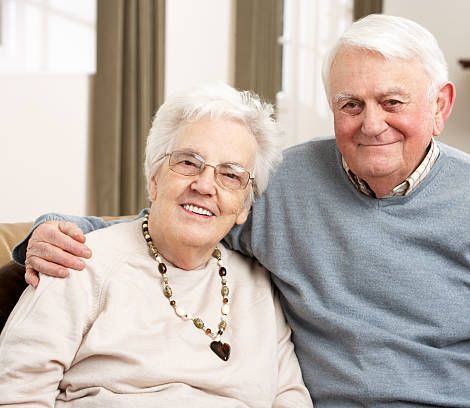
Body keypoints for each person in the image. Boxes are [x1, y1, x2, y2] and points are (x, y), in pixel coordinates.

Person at [11, 14, 470, 407]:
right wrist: (45, 233)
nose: (371, 123)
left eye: (393, 101)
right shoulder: (283, 182)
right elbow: (173, 217)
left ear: (441, 105)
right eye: (350, 103)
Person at [0, 84, 312, 407]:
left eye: (230, 175)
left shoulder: (258, 285)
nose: (204, 185)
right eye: (189, 162)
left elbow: (289, 397)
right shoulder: (78, 263)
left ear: (244, 207)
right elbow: (17, 394)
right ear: (154, 178)